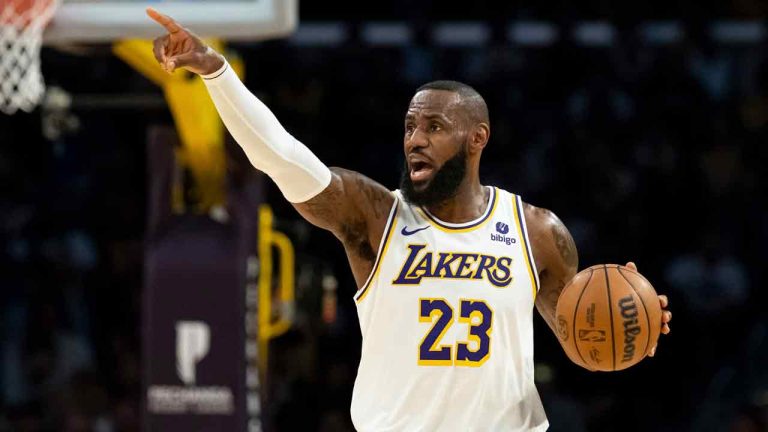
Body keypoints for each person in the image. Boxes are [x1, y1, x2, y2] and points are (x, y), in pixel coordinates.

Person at [146, 8, 673, 431]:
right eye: (410, 126)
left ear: (477, 138)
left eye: (435, 127)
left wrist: (629, 327)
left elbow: (580, 339)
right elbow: (282, 157)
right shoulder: (373, 217)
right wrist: (215, 70)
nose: (415, 139)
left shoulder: (536, 231)